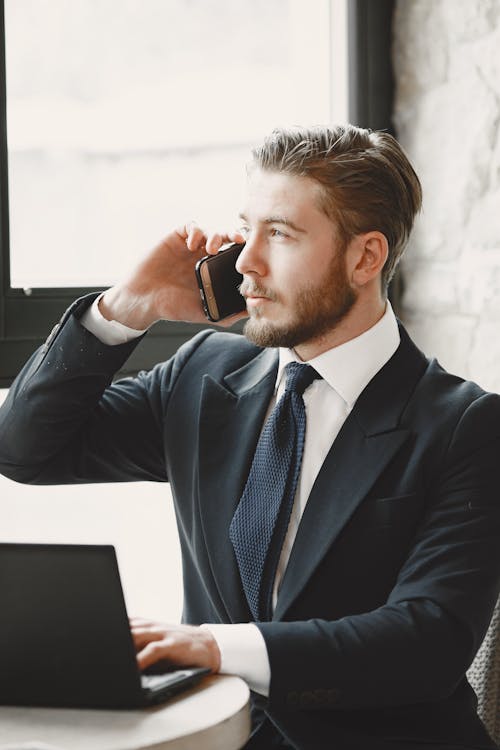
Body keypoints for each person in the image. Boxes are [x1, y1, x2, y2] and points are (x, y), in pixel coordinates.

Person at [0, 124, 499, 750]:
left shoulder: (465, 427)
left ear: (365, 257)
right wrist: (126, 307)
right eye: (247, 228)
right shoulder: (203, 375)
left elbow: (426, 642)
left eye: (281, 235)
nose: (245, 262)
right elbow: (25, 449)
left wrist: (213, 646)